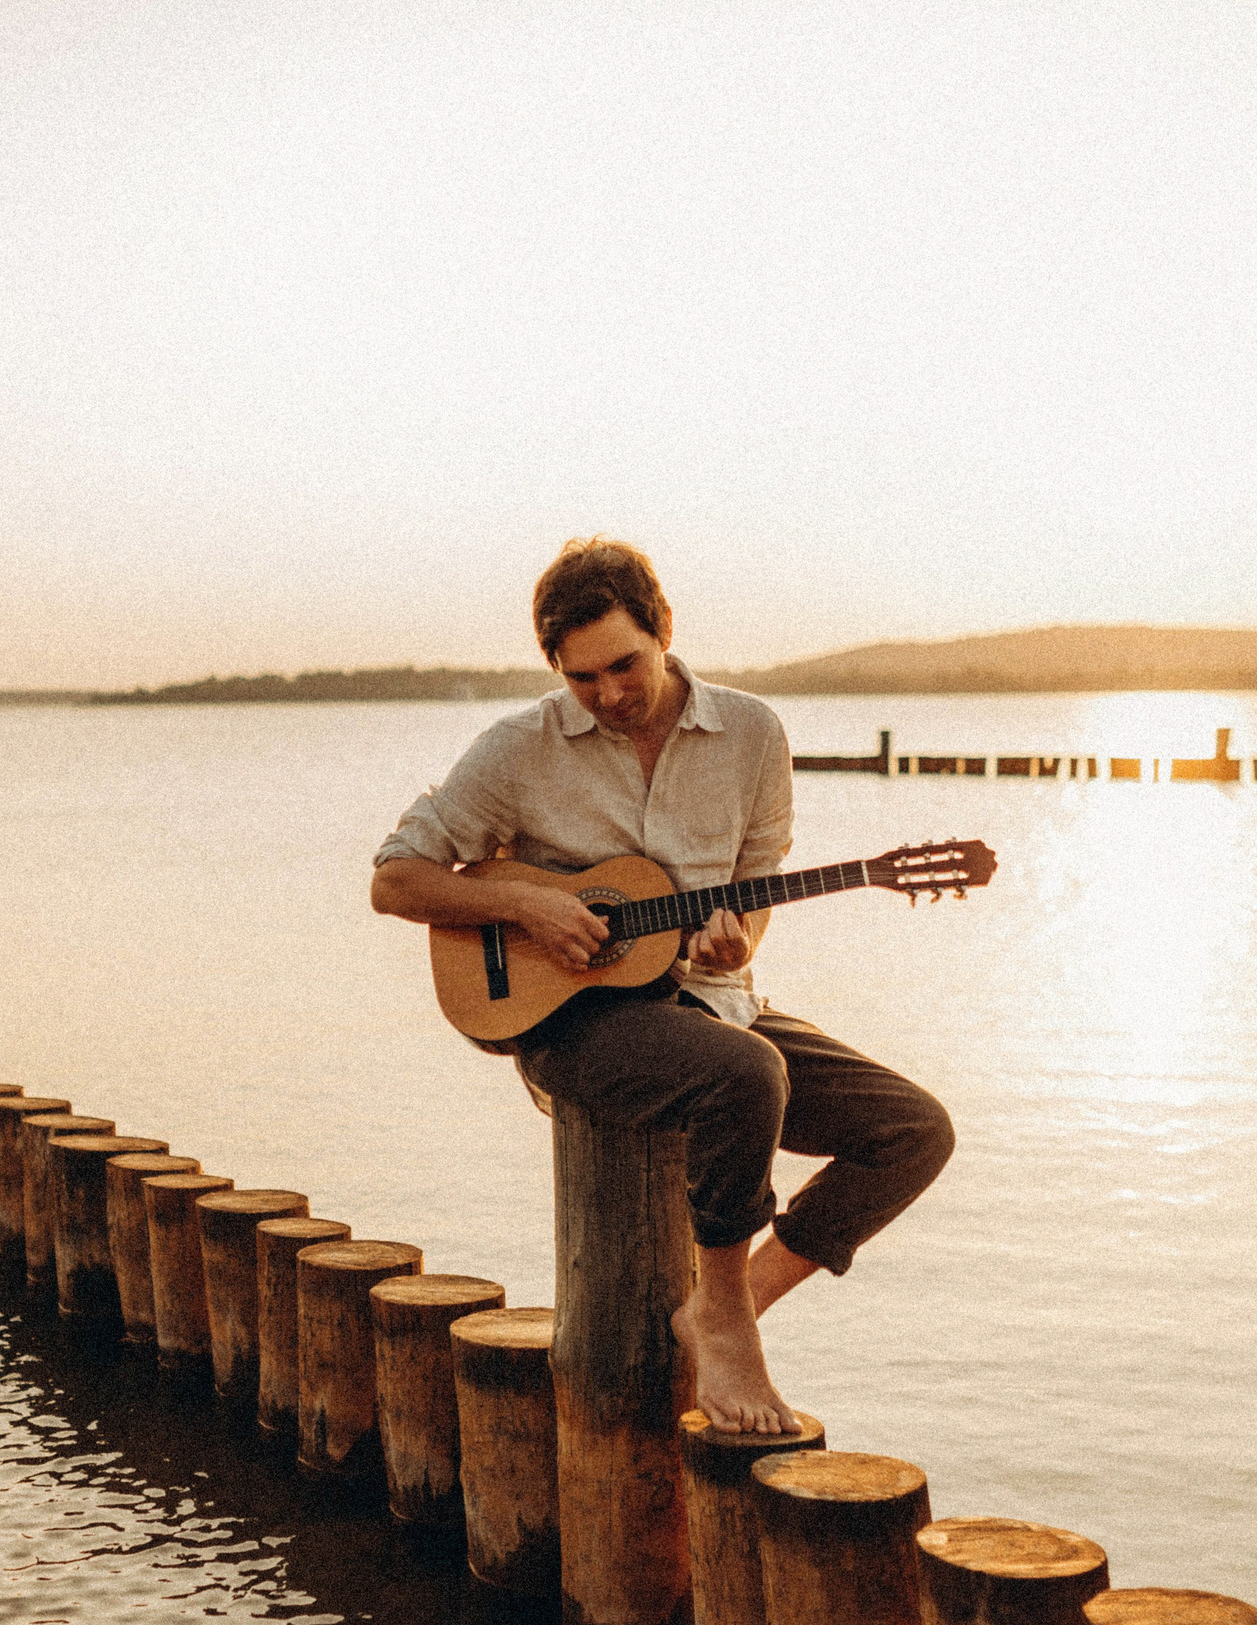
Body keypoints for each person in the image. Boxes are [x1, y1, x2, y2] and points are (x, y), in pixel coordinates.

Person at [369, 537, 953, 1436]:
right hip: (570, 1018)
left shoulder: (751, 735)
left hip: (709, 1002)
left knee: (913, 1130)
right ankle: (726, 1324)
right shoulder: (518, 748)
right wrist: (528, 904)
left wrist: (733, 944)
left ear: (663, 631)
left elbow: (756, 884)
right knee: (746, 1073)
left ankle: (730, 1301)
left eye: (624, 665)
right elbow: (395, 879)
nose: (608, 693)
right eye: (582, 677)